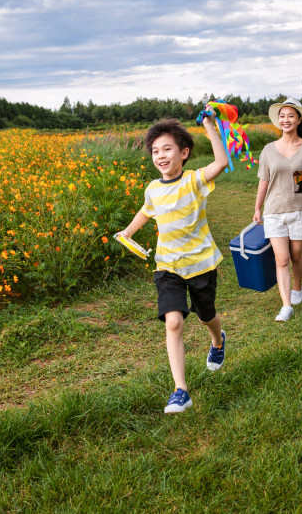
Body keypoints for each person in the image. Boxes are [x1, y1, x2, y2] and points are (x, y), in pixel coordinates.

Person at [119, 116, 229, 413]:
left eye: (167, 149)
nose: (161, 156)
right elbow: (147, 211)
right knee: (174, 321)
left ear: (184, 153)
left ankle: (218, 341)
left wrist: (209, 128)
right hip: (167, 266)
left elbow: (221, 162)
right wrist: (129, 231)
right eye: (155, 151)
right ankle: (181, 390)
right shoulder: (153, 188)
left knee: (206, 316)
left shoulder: (194, 180)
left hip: (201, 263)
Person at [253, 97, 302, 322]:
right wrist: (257, 208)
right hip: (274, 211)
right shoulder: (268, 150)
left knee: (296, 255)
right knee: (281, 259)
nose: (286, 120)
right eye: (282, 116)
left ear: (299, 119)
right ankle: (286, 306)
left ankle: (298, 287)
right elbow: (263, 182)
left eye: (290, 116)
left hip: (300, 210)